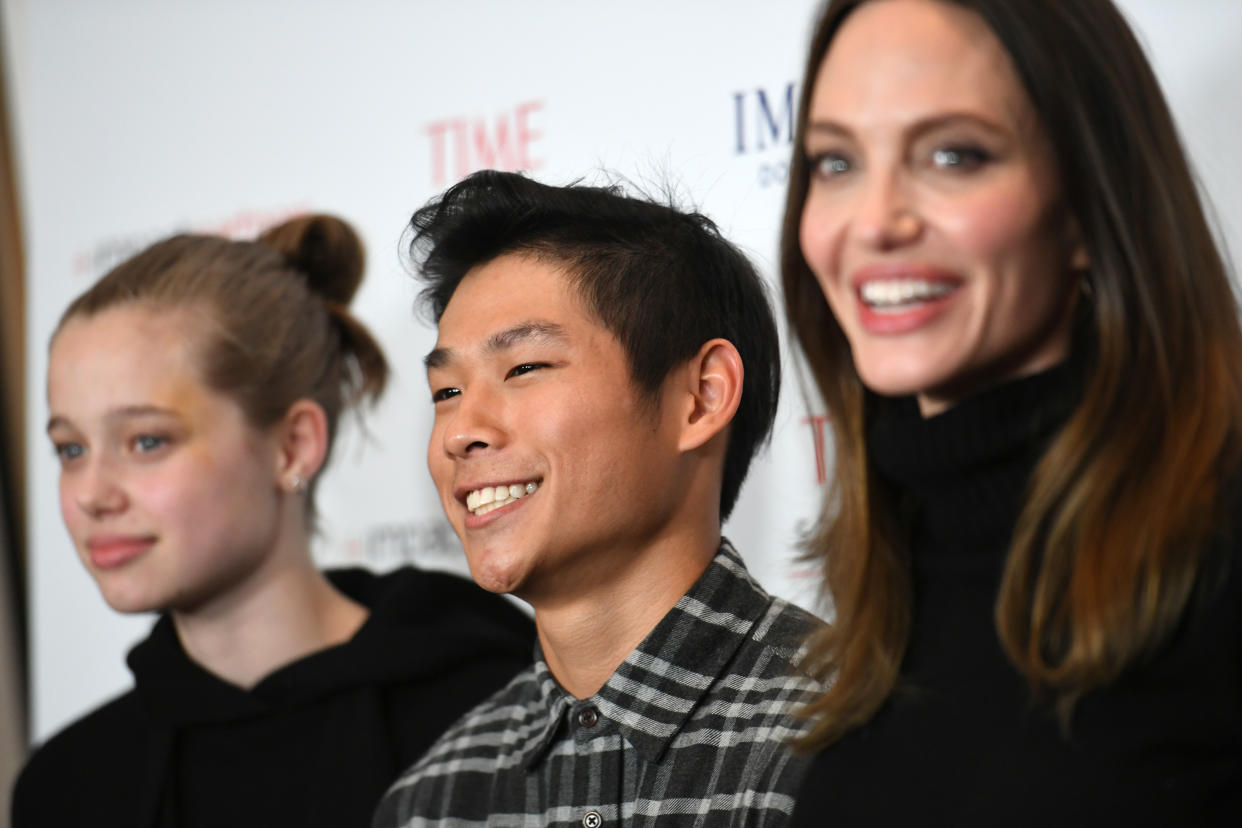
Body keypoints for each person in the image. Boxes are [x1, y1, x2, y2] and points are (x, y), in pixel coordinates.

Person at [780, 0, 1242, 824]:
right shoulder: (895, 577)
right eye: (836, 163)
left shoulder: (1217, 557)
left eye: (954, 155)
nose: (876, 222)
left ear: (1089, 207)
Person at [12, 215, 534, 828]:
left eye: (147, 441)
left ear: (292, 446)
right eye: (71, 449)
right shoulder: (66, 783)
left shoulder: (502, 708)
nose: (93, 495)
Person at [372, 171, 823, 827]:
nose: (462, 431)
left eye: (523, 368)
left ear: (701, 397)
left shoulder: (851, 738)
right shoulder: (432, 802)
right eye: (446, 393)